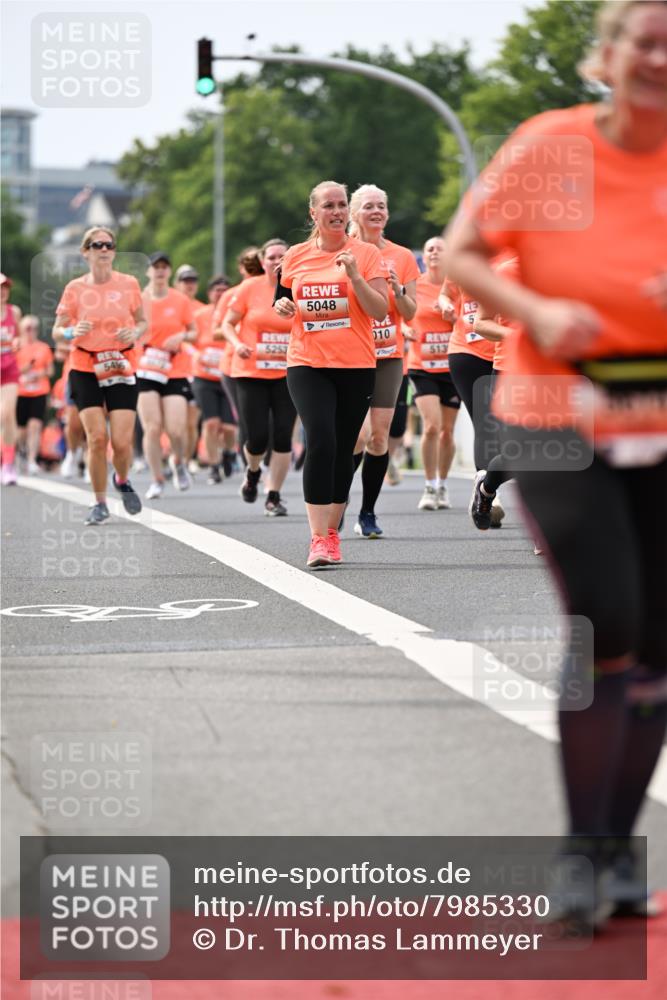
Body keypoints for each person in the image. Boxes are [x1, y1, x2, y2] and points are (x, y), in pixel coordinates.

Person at [445, 0, 667, 924]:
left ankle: (616, 853)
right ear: (604, 57)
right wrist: (532, 313)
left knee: (657, 646)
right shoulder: (551, 149)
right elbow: (462, 253)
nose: (661, 58)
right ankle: (579, 855)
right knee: (602, 620)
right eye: (645, 40)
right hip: (551, 416)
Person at [275, 180, 388, 568]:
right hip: (306, 361)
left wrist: (355, 276)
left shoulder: (367, 254)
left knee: (344, 448)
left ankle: (334, 530)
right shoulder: (295, 255)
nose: (337, 211)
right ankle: (318, 538)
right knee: (320, 440)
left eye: (341, 205)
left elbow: (379, 311)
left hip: (356, 363)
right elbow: (281, 297)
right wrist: (283, 307)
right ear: (314, 212)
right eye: (329, 205)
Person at [53, 227, 145, 524]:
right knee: (96, 438)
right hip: (85, 366)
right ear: (86, 252)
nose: (104, 249)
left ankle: (121, 479)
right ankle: (100, 502)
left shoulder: (129, 284)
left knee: (120, 442)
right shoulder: (74, 289)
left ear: (114, 251)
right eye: (97, 245)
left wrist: (135, 331)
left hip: (120, 364)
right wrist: (69, 331)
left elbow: (142, 322)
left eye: (109, 245)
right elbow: (56, 331)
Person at [347, 184, 420, 538]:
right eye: (369, 206)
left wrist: (397, 290)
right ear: (354, 214)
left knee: (378, 438)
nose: (376, 211)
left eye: (381, 206)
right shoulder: (343, 251)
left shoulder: (402, 257)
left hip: (388, 356)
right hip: (348, 354)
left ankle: (368, 512)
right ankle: (335, 500)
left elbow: (410, 311)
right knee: (355, 437)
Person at [222, 239, 296, 515]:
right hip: (251, 371)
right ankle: (253, 472)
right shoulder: (248, 288)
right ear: (262, 262)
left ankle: (273, 494)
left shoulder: (299, 286)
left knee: (283, 435)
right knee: (257, 437)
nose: (277, 262)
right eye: (272, 257)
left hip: (288, 372)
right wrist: (237, 344)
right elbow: (227, 324)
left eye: (282, 257)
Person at [406, 237, 460, 511]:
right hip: (421, 365)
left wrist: (454, 317)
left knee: (447, 432)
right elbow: (399, 315)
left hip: (451, 367)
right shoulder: (416, 284)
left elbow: (472, 320)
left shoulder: (456, 285)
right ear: (424, 257)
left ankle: (442, 483)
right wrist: (404, 331)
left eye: (441, 248)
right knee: (432, 425)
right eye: (430, 249)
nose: (435, 252)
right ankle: (429, 485)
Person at [137, 252, 197, 498]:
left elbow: (193, 332)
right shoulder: (137, 300)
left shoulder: (180, 300)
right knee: (152, 427)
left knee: (176, 429)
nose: (160, 271)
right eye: (155, 267)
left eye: (164, 267)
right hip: (146, 368)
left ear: (169, 272)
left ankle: (179, 462)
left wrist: (180, 336)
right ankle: (157, 478)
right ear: (148, 271)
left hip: (175, 369)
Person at [214, 247, 267, 475]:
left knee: (275, 420)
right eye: (249, 265)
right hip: (237, 365)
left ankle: (267, 462)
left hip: (274, 365)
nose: (254, 270)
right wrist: (243, 329)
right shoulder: (234, 293)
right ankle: (250, 466)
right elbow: (216, 331)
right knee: (249, 418)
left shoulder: (277, 289)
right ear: (241, 268)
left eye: (257, 264)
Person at [191, 274, 235, 484]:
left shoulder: (235, 314)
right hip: (204, 376)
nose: (220, 294)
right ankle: (214, 466)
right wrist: (195, 354)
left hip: (227, 375)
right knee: (211, 424)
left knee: (228, 428)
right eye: (216, 290)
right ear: (209, 294)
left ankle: (228, 453)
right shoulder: (199, 315)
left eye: (224, 290)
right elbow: (187, 338)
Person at [174, 264, 203, 474]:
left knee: (192, 421)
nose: (189, 285)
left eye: (192, 280)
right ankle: (175, 458)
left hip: (196, 371)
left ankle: (188, 458)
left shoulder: (202, 308)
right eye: (185, 280)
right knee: (176, 421)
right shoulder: (171, 306)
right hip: (173, 369)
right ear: (177, 283)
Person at [16, 315, 54, 474]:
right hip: (20, 392)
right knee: (21, 429)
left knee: (35, 425)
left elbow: (51, 371)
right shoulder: (16, 347)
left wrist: (40, 373)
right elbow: (11, 370)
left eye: (33, 328)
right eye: (27, 328)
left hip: (39, 391)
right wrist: (25, 369)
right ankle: (19, 453)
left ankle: (32, 459)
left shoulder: (44, 348)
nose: (30, 331)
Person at [0, 273, 21, 485]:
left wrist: (16, 342)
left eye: (5, 287)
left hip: (9, 370)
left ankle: (8, 464)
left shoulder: (14, 312)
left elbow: (20, 336)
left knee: (6, 414)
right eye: (0, 287)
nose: (3, 291)